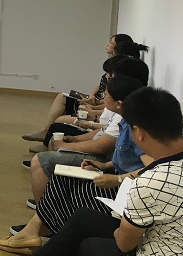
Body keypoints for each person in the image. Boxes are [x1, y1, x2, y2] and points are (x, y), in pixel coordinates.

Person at [0, 87, 183, 256]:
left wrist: (125, 216)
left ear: (139, 133)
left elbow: (124, 244)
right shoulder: (166, 170)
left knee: (83, 244)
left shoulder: (151, 181)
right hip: (166, 241)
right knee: (84, 219)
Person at [0, 75, 152, 256]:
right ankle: (35, 230)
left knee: (68, 187)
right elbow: (125, 158)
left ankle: (40, 232)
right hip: (116, 179)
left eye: (106, 96)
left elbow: (152, 169)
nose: (103, 99)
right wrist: (104, 166)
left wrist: (116, 179)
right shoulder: (125, 122)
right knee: (61, 177)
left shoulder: (137, 130)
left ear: (119, 103)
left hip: (123, 192)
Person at [27, 57, 150, 204]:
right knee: (58, 178)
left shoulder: (135, 126)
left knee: (44, 160)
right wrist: (77, 140)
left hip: (120, 181)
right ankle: (45, 210)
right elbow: (118, 151)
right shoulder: (125, 118)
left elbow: (102, 147)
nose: (108, 79)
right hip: (111, 169)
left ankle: (44, 210)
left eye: (107, 95)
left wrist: (116, 178)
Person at [22, 33, 133, 142]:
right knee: (61, 96)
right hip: (96, 102)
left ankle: (47, 134)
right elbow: (100, 85)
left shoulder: (120, 71)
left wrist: (93, 108)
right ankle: (45, 131)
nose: (107, 44)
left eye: (111, 42)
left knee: (60, 117)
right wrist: (92, 95)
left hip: (97, 106)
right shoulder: (113, 66)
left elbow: (109, 108)